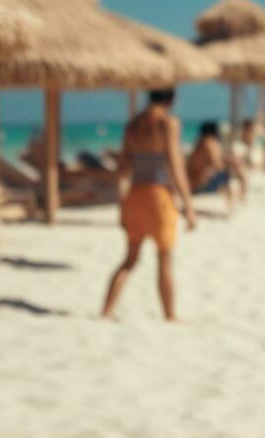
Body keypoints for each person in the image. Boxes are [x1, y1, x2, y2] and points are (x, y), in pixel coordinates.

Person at [101, 87, 196, 321]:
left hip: (134, 195)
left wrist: (121, 204)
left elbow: (123, 169)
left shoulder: (133, 125)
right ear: (171, 99)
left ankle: (106, 311)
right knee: (164, 259)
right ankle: (170, 315)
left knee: (130, 259)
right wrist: (188, 205)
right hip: (158, 197)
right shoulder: (169, 123)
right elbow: (175, 165)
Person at [187, 120, 246, 210]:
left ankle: (240, 198)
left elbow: (215, 161)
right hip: (199, 184)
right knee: (235, 175)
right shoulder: (209, 143)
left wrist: (228, 161)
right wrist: (231, 163)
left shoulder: (200, 143)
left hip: (193, 183)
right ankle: (239, 200)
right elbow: (217, 164)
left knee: (235, 172)